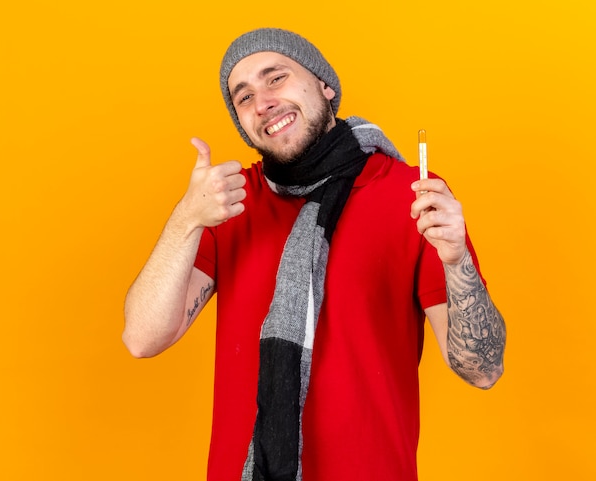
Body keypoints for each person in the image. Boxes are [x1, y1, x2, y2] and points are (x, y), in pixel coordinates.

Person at [123, 28, 506, 481]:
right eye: (243, 97)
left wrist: (457, 260)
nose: (262, 101)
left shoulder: (414, 197)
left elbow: (482, 369)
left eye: (276, 78)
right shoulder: (229, 204)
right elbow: (142, 338)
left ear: (326, 86)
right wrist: (185, 220)